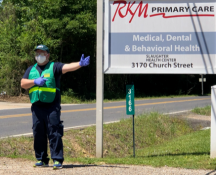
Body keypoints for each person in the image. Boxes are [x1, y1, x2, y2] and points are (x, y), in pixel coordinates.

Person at [20, 44, 90, 169]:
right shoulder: (31, 69)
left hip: (52, 106)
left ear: (48, 55)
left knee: (54, 131)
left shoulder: (54, 67)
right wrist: (34, 81)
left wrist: (79, 64)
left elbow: (67, 67)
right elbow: (23, 83)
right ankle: (41, 159)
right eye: (37, 53)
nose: (39, 55)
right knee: (38, 132)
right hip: (36, 107)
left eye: (42, 53)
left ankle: (57, 159)